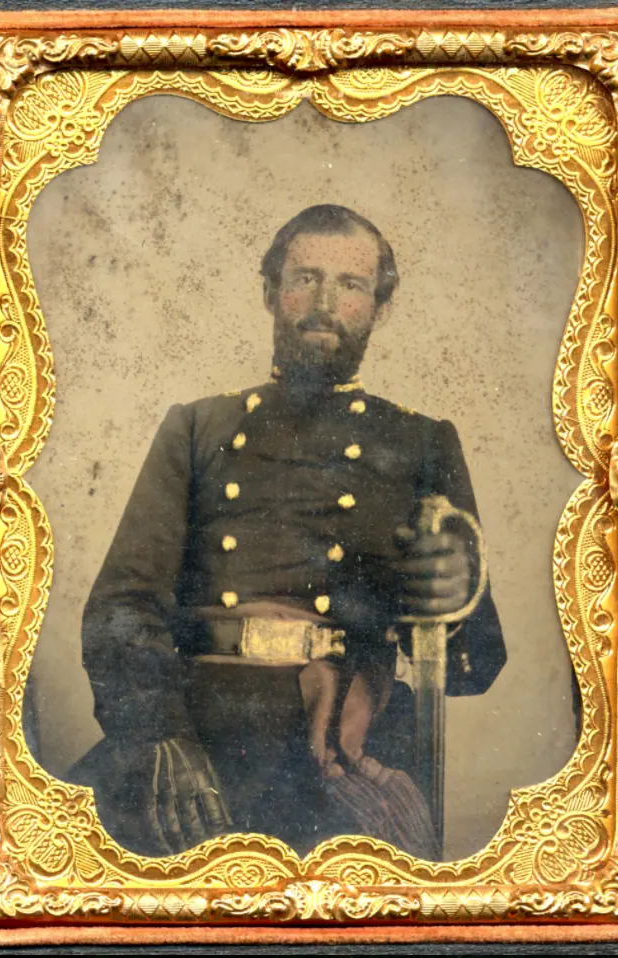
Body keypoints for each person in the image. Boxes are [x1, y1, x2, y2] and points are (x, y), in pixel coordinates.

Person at [71, 205, 506, 860]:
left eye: (350, 285)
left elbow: (474, 664)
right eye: (305, 278)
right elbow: (121, 606)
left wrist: (454, 600)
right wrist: (161, 736)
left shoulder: (422, 443)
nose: (324, 304)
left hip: (342, 741)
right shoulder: (198, 427)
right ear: (270, 291)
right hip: (200, 723)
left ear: (380, 307)